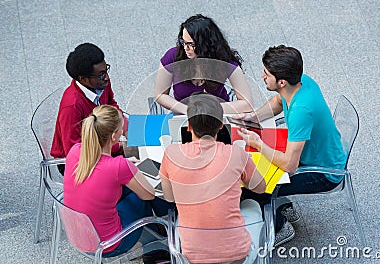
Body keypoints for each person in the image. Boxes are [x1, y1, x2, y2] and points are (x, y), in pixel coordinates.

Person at [236, 45, 347, 246]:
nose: (262, 76)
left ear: (282, 81)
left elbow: (289, 165)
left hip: (324, 172)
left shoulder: (301, 111)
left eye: (267, 74)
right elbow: (279, 101)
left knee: (252, 187)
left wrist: (258, 144)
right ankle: (284, 205)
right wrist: (253, 118)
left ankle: (281, 227)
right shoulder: (302, 82)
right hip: (315, 152)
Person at [159, 93, 266, 263]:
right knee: (251, 204)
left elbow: (170, 197)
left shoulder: (171, 154)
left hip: (192, 257)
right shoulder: (236, 154)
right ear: (222, 126)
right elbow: (261, 188)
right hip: (237, 256)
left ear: (188, 126)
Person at [63, 105, 169, 262]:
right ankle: (158, 243)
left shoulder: (75, 150)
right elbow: (149, 194)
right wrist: (134, 169)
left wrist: (127, 168)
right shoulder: (118, 166)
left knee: (130, 188)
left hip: (78, 234)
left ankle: (157, 238)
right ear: (114, 136)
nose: (123, 132)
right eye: (121, 129)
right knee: (146, 195)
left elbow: (102, 172)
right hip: (111, 244)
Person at [51, 43, 130, 174]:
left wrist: (126, 127)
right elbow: (75, 150)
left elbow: (111, 104)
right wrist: (116, 147)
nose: (106, 77)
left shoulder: (101, 83)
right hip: (79, 160)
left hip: (104, 143)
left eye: (106, 70)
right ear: (83, 79)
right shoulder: (71, 107)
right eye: (100, 74)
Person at [155, 14, 254, 115]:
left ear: (206, 45)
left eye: (191, 44)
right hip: (183, 114)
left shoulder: (224, 61)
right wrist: (188, 110)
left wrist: (208, 109)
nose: (185, 48)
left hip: (217, 114)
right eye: (183, 42)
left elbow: (247, 104)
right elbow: (160, 95)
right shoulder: (173, 56)